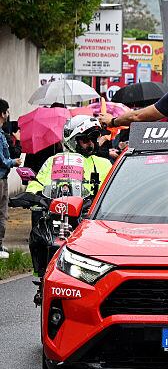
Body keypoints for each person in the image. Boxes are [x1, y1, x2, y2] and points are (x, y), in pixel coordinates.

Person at [26, 117, 113, 274]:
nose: (91, 144)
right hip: (56, 217)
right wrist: (32, 195)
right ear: (71, 140)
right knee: (38, 235)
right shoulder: (54, 161)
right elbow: (37, 183)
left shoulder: (104, 163)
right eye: (85, 140)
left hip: (89, 219)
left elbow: (113, 191)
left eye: (93, 139)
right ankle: (42, 275)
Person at [0, 99, 23, 259]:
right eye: (7, 111)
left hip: (4, 177)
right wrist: (13, 162)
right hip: (0, 177)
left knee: (3, 213)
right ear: (2, 113)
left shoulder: (2, 133)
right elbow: (1, 159)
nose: (8, 115)